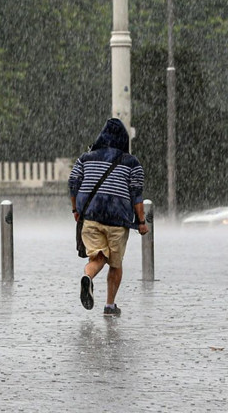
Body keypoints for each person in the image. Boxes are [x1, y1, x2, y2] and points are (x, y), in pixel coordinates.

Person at [68, 118, 148, 317]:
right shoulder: (132, 163)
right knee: (115, 263)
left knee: (98, 257)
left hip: (91, 216)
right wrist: (141, 222)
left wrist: (75, 210)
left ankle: (88, 276)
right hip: (117, 220)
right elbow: (136, 195)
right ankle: (110, 306)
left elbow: (73, 183)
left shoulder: (85, 158)